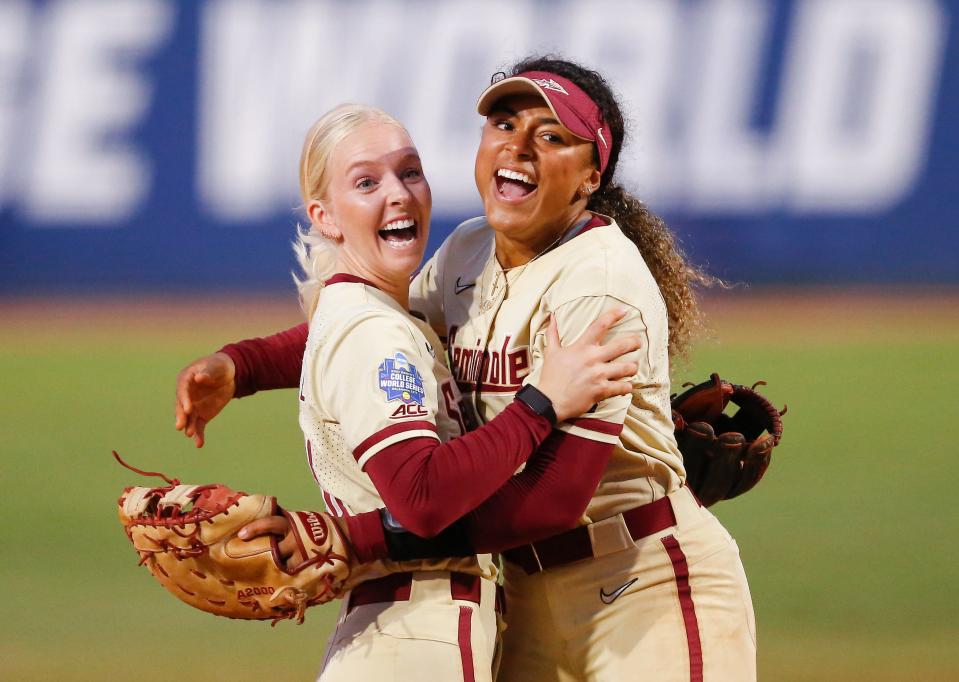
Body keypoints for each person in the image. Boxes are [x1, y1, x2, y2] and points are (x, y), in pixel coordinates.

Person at [177, 58, 757, 681]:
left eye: (553, 135)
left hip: (641, 587)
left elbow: (555, 502)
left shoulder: (600, 286)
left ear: (591, 177)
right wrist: (243, 366)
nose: (520, 147)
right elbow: (377, 328)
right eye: (504, 123)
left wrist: (359, 537)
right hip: (526, 593)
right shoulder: (467, 252)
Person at [214, 102, 638, 682]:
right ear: (326, 216)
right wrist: (539, 404)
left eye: (410, 172)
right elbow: (421, 495)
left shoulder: (377, 315)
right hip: (416, 637)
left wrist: (243, 365)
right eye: (366, 182)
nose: (399, 194)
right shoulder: (375, 331)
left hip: (394, 633)